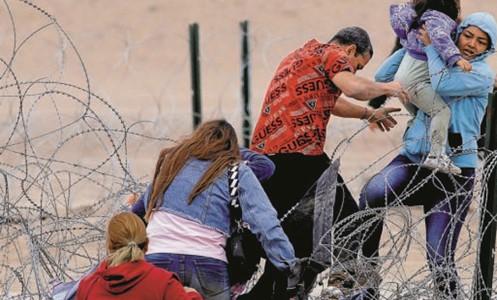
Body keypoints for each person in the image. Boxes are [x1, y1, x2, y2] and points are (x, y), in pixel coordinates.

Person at [244, 26, 408, 299]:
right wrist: (388, 87)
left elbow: (330, 102)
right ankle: (344, 288)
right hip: (299, 156)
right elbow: (353, 89)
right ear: (351, 50)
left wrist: (368, 114)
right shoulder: (333, 54)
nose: (352, 71)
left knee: (293, 245)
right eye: (356, 65)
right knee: (352, 220)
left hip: (266, 160)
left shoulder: (299, 56)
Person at [359, 12, 497, 299]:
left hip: (454, 173)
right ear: (456, 33)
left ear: (488, 48)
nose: (472, 44)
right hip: (415, 160)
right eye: (468, 35)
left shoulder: (481, 75)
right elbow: (384, 77)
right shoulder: (430, 59)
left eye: (481, 41)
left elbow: (442, 85)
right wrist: (411, 46)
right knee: (371, 194)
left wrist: (434, 46)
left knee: (438, 256)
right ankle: (368, 282)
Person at [130, 119, 300, 300]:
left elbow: (135, 214)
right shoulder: (236, 171)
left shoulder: (171, 167)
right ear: (232, 148)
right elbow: (265, 223)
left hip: (158, 260)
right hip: (206, 263)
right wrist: (290, 265)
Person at [375, 0, 470, 175]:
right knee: (442, 112)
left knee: (420, 115)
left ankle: (415, 145)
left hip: (401, 82)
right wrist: (457, 58)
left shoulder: (415, 21)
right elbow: (441, 38)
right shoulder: (436, 19)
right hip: (414, 83)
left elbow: (381, 74)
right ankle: (436, 156)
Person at [76, 212, 203, 299]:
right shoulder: (164, 283)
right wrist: (193, 296)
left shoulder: (88, 286)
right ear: (147, 245)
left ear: (109, 246)